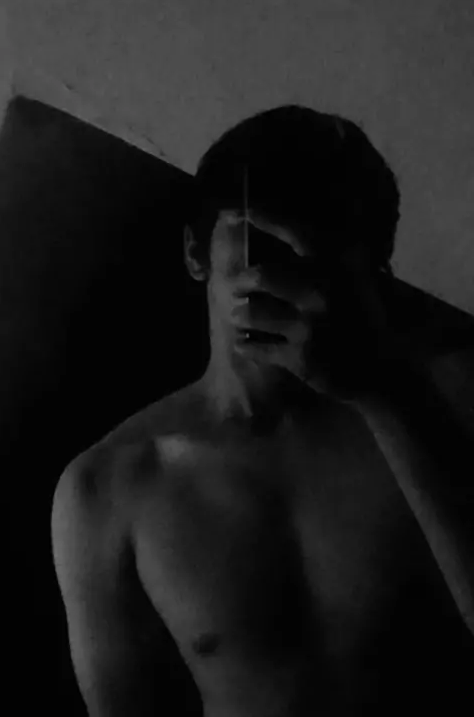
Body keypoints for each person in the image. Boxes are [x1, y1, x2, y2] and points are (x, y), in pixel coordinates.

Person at [51, 106, 474, 716]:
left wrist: (384, 394)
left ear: (373, 266)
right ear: (196, 252)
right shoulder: (110, 486)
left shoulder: (447, 404)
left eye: (322, 243)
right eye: (262, 238)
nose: (285, 270)